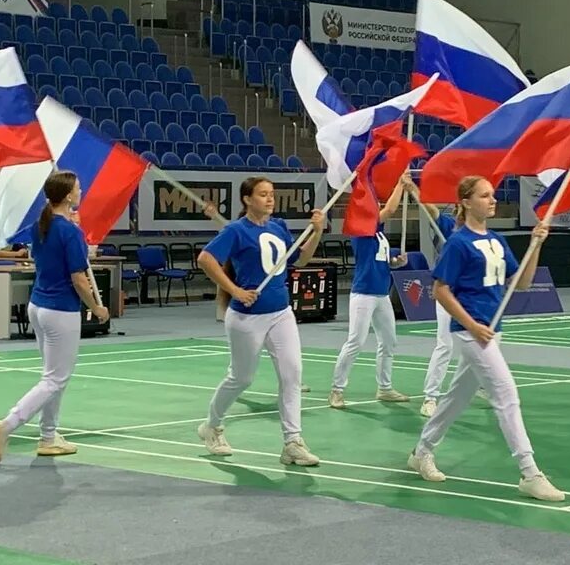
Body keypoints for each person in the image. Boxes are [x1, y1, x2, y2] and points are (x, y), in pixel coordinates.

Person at [406, 175, 564, 501]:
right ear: (466, 201)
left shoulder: (496, 240)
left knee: (456, 397)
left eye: (492, 195)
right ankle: (529, 472)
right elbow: (440, 290)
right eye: (484, 195)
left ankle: (421, 451)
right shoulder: (458, 243)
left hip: (493, 330)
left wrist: (537, 245)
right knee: (506, 394)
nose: (492, 200)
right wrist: (471, 325)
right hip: (471, 332)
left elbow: (520, 283)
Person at [195, 176, 325, 465]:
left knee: (292, 376)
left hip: (281, 313)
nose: (269, 199)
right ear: (247, 199)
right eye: (263, 194)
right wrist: (235, 291)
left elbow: (300, 261)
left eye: (271, 194)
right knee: (241, 378)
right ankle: (212, 426)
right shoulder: (236, 231)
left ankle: (293, 442)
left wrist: (316, 232)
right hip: (246, 317)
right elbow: (205, 259)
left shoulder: (278, 227)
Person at [0, 172, 109, 463]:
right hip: (60, 310)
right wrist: (96, 307)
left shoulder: (40, 226)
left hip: (38, 306)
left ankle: (49, 436)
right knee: (55, 379)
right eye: (79, 188)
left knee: (54, 376)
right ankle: (7, 426)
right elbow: (79, 278)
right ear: (68, 196)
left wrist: (71, 227)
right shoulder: (69, 232)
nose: (82, 190)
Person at [329, 173, 411, 408]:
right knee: (355, 341)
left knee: (389, 341)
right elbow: (392, 209)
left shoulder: (379, 234)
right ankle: (337, 389)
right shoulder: (360, 230)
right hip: (364, 294)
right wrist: (400, 184)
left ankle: (384, 387)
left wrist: (395, 262)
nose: (377, 206)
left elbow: (379, 261)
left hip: (382, 294)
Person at [408, 180, 475, 417]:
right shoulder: (448, 226)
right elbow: (430, 208)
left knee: (479, 345)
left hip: (471, 295)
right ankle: (430, 396)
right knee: (445, 344)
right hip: (447, 293)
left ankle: (483, 383)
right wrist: (412, 189)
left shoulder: (480, 234)